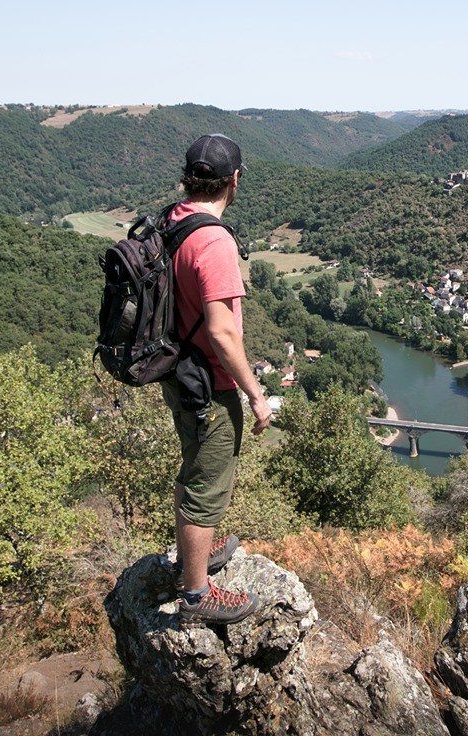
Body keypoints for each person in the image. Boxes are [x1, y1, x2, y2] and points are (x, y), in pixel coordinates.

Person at [163, 134, 273, 625]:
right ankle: (195, 593)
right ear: (234, 179)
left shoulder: (173, 220)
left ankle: (197, 554)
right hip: (210, 384)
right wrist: (255, 395)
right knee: (207, 487)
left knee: (196, 471)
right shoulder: (215, 241)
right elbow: (223, 332)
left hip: (179, 372)